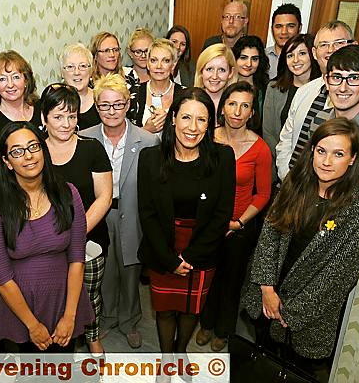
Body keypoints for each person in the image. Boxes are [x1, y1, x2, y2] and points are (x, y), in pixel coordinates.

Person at [242, 117, 359, 382]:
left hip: (309, 315)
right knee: (261, 364)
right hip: (268, 297)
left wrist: (292, 312)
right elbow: (270, 233)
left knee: (297, 372)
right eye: (321, 151)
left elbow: (341, 272)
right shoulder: (296, 182)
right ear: (312, 150)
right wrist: (267, 290)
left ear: (352, 159)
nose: (326, 162)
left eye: (338, 154)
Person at [137, 87, 236, 356]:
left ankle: (181, 353)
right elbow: (147, 214)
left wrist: (190, 256)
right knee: (166, 310)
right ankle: (167, 359)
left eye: (201, 119)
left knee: (192, 309)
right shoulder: (150, 158)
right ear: (173, 119)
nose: (193, 127)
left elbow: (221, 215)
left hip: (202, 247)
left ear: (210, 124)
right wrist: (170, 259)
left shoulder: (223, 158)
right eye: (186, 118)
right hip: (162, 247)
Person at [0, 121, 94, 352]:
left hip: (64, 299)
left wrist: (69, 315)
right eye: (17, 152)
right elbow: (0, 276)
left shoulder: (68, 194)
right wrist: (32, 324)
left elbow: (77, 259)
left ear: (43, 150)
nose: (28, 156)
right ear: (7, 162)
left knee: (62, 369)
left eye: (33, 147)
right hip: (19, 306)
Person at [81, 73, 159, 349]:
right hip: (99, 214)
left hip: (133, 214)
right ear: (97, 107)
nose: (111, 111)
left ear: (127, 105)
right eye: (104, 105)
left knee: (130, 271)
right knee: (105, 271)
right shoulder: (85, 139)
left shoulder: (148, 141)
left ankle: (129, 321)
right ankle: (106, 318)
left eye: (118, 104)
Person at [196, 82, 271, 351]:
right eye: (232, 103)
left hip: (240, 225)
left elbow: (262, 194)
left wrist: (238, 222)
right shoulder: (207, 138)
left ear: (252, 112)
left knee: (231, 280)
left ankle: (223, 329)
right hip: (207, 223)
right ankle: (205, 323)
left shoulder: (260, 148)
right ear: (223, 107)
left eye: (245, 105)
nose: (238, 111)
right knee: (207, 276)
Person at [40, 83, 113, 356]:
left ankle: (92, 336)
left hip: (89, 238)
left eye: (71, 116)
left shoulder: (91, 148)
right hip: (46, 241)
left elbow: (104, 197)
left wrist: (75, 233)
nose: (66, 123)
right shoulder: (36, 152)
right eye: (58, 117)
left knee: (89, 293)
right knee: (57, 297)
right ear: (44, 118)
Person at [275, 20, 359, 182]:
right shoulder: (305, 92)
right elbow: (287, 138)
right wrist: (288, 177)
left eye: (338, 43)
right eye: (324, 45)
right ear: (314, 52)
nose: (331, 50)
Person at [310, 45, 359, 192]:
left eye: (354, 78)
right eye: (336, 77)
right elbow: (308, 173)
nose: (342, 88)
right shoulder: (320, 119)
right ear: (326, 81)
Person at [263, 34, 321, 181]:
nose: (295, 60)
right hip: (278, 168)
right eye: (290, 55)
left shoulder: (322, 90)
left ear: (313, 55)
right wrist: (284, 165)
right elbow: (268, 132)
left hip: (312, 171)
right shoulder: (274, 88)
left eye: (302, 53)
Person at [0, 50, 41, 141]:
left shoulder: (42, 109)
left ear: (26, 80)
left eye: (16, 77)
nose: (10, 85)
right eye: (2, 79)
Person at [128, 39, 186, 134]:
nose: (159, 66)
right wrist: (146, 131)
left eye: (166, 61)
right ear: (147, 64)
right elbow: (125, 136)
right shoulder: (133, 93)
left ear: (173, 65)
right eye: (154, 60)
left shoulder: (185, 95)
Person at [61, 43, 102, 130]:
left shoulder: (102, 99)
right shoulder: (54, 104)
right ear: (62, 73)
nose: (76, 72)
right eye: (70, 67)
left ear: (91, 71)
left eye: (82, 66)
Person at [233, 35, 270, 127]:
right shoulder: (224, 84)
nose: (249, 64)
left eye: (254, 59)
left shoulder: (266, 88)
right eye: (243, 57)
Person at [194, 43, 237, 112]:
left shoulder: (237, 107)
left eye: (221, 70)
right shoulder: (189, 103)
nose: (215, 76)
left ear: (231, 73)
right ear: (201, 71)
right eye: (209, 69)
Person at [266, 3, 302, 79]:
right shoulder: (262, 56)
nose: (284, 32)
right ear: (272, 29)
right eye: (279, 26)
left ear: (300, 28)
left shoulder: (307, 60)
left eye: (290, 26)